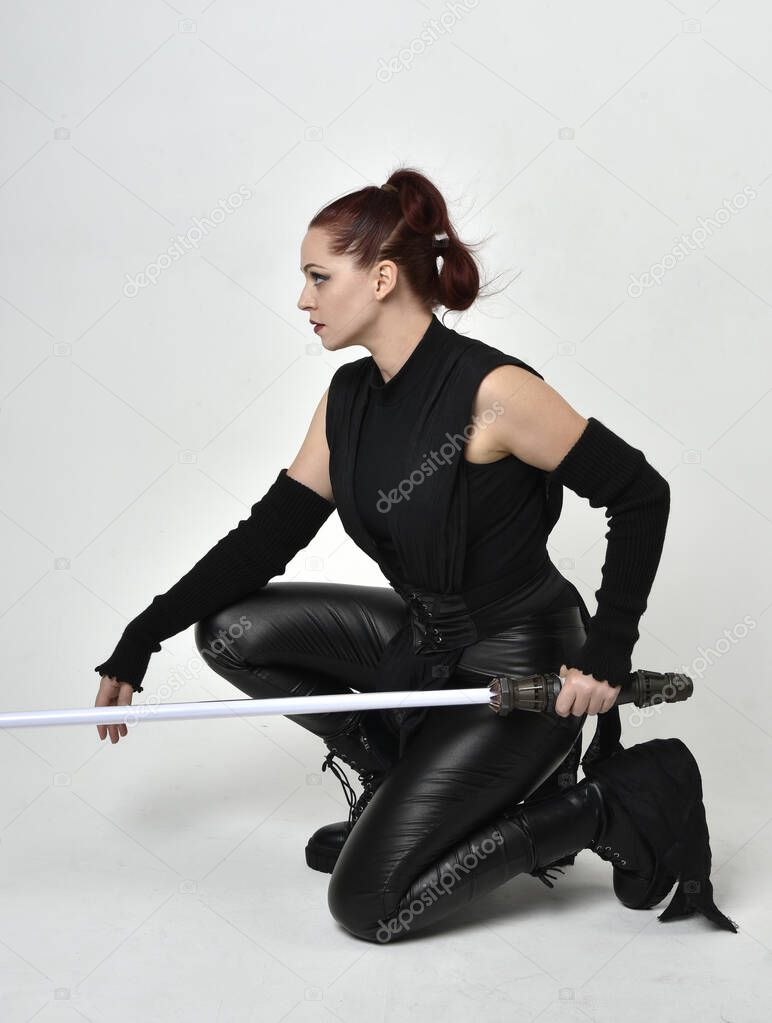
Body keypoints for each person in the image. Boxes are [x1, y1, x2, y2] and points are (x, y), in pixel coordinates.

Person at [94, 167, 737, 943]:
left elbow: (641, 495)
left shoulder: (492, 392)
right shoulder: (348, 398)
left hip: (524, 662)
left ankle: (601, 806)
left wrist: (606, 654)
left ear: (383, 277)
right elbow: (268, 536)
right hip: (426, 644)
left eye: (318, 277)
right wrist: (144, 633)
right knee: (230, 631)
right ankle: (398, 780)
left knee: (369, 904)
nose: (303, 299)